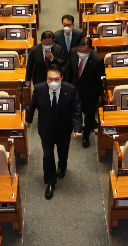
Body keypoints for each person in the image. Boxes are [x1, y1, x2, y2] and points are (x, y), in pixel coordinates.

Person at [26, 65, 82, 199]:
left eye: (56, 79)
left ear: (62, 78)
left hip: (64, 128)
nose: (53, 82)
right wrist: (28, 120)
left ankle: (62, 167)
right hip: (46, 129)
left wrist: (78, 128)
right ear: (46, 79)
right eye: (50, 79)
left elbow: (76, 109)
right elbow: (32, 105)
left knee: (63, 151)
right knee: (47, 155)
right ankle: (50, 182)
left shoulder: (70, 89)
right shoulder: (39, 89)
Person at [64, 36, 105, 148]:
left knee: (88, 117)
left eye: (85, 51)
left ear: (90, 49)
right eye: (79, 50)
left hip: (90, 93)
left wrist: (102, 95)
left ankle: (86, 137)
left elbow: (101, 79)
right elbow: (69, 70)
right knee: (74, 111)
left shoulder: (98, 60)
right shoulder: (73, 52)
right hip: (74, 90)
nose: (81, 53)